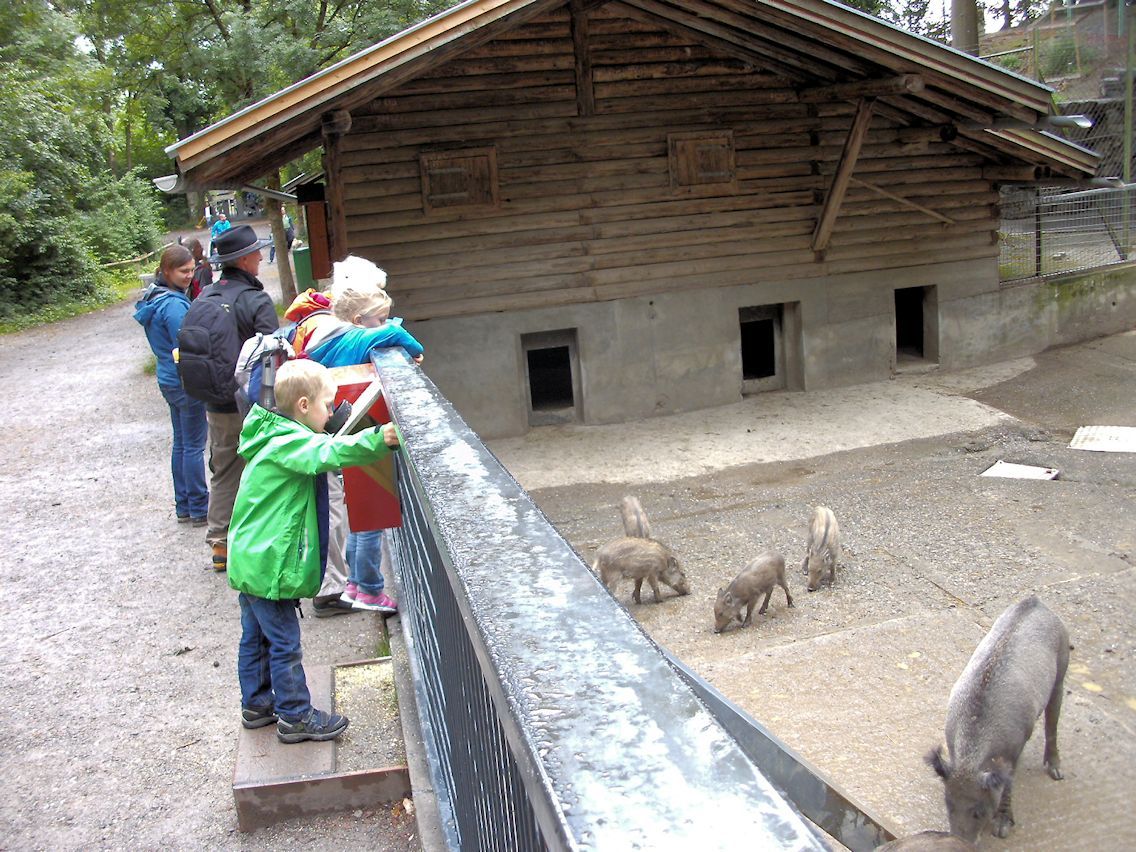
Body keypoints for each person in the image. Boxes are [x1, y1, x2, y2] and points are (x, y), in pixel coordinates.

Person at [228, 359, 403, 742]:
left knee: (255, 637)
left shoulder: (272, 434)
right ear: (304, 406)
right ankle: (295, 716)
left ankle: (257, 704)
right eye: (327, 405)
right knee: (284, 643)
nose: (331, 412)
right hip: (270, 565)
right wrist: (379, 438)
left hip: (251, 557)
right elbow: (327, 453)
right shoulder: (290, 443)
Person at [281, 256, 424, 616]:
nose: (384, 324)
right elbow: (393, 335)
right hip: (361, 428)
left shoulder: (326, 336)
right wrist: (417, 352)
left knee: (358, 513)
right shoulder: (357, 338)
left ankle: (355, 584)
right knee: (371, 516)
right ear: (360, 320)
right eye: (379, 318)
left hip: (340, 431)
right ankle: (369, 588)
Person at [202, 225, 278, 572]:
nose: (261, 257)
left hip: (216, 401)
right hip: (252, 402)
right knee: (263, 467)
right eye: (256, 253)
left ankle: (220, 543)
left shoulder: (205, 296)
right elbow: (272, 356)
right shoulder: (256, 300)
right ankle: (261, 541)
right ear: (245, 260)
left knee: (224, 469)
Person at [134, 245, 209, 525]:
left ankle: (184, 505)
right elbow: (189, 344)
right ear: (167, 271)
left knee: (181, 443)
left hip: (168, 377)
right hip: (184, 380)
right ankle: (199, 507)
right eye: (183, 271)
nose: (189, 276)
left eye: (192, 270)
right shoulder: (175, 305)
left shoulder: (154, 297)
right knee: (193, 446)